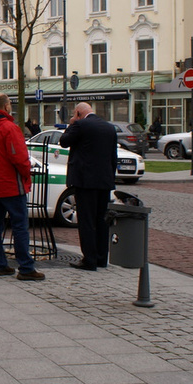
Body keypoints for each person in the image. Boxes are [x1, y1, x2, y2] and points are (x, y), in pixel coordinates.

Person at [0, 93, 45, 281]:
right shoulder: (9, 128)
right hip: (11, 184)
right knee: (20, 225)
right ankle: (25, 267)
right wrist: (25, 174)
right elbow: (20, 158)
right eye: (9, 104)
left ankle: (0, 264)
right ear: (6, 106)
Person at [59, 102, 118, 271]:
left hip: (85, 181)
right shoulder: (109, 127)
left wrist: (70, 125)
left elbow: (64, 142)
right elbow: (113, 157)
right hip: (104, 181)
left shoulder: (79, 125)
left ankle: (89, 259)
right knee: (101, 220)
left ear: (78, 113)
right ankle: (101, 258)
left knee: (86, 221)